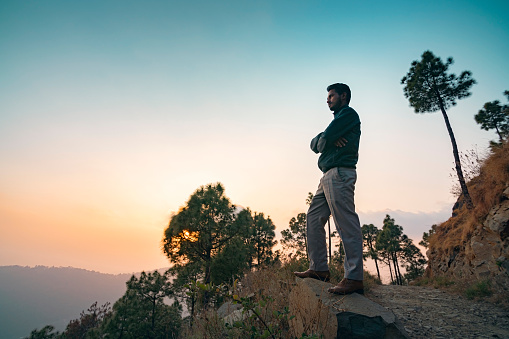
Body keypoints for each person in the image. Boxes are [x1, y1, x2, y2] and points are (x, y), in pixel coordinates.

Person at [294, 83, 364, 295]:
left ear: (343, 96)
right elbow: (315, 143)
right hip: (327, 176)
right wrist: (326, 139)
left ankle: (354, 277)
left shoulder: (348, 115)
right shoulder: (337, 121)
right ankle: (319, 269)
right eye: (328, 96)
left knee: (345, 223)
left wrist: (326, 139)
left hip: (340, 174)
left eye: (331, 95)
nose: (328, 99)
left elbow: (323, 142)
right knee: (313, 217)